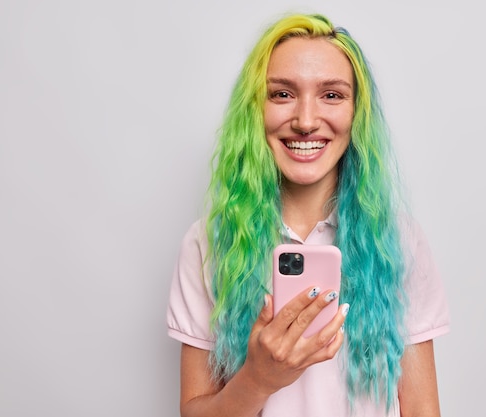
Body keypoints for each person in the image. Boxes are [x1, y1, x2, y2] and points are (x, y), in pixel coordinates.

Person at [166, 13, 450, 417]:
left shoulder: (398, 241)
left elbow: (422, 409)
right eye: (282, 94)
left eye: (331, 95)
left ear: (357, 114)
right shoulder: (209, 244)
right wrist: (259, 379)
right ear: (254, 111)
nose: (305, 121)